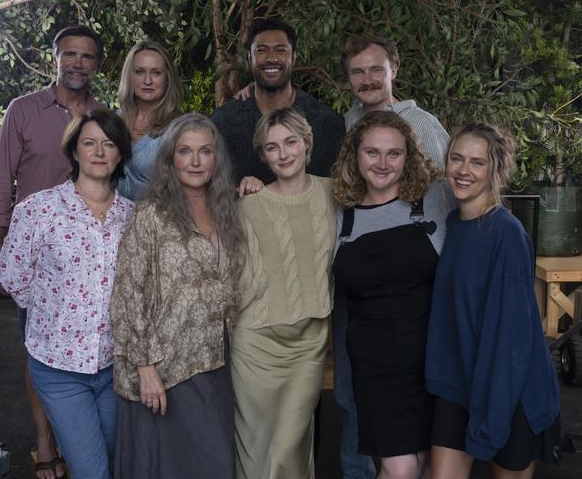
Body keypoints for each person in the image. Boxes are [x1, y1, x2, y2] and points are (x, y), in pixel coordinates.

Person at [0, 24, 104, 479]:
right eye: (68, 54)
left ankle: (78, 442)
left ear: (98, 64)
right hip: (36, 257)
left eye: (86, 56)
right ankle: (44, 442)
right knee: (40, 351)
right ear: (54, 57)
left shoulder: (102, 116)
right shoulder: (24, 110)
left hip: (88, 259)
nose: (77, 63)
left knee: (84, 351)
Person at [0, 108, 135, 479]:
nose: (99, 151)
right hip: (59, 368)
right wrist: (54, 314)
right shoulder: (39, 210)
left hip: (114, 365)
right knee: (92, 471)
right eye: (89, 143)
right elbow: (12, 277)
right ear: (74, 151)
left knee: (111, 459)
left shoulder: (134, 217)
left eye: (109, 144)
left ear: (121, 153)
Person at [110, 113, 244, 479]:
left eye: (205, 151)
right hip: (165, 364)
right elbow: (128, 294)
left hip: (214, 359)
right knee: (166, 466)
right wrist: (145, 368)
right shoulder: (151, 214)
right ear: (170, 159)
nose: (196, 161)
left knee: (213, 464)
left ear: (218, 158)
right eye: (185, 152)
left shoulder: (228, 211)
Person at [425, 123, 560, 479]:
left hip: (509, 393)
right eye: (456, 159)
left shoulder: (506, 235)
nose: (463, 171)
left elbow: (511, 343)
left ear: (496, 170)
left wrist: (490, 425)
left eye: (477, 162)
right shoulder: (453, 225)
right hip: (459, 384)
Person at [332, 110, 453, 479]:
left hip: (432, 358)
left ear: (409, 156)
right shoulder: (339, 209)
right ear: (355, 154)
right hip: (373, 364)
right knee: (400, 469)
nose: (382, 163)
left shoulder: (434, 196)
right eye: (372, 152)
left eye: (394, 154)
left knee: (431, 467)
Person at [232, 107, 335, 479]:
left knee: (288, 446)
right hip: (255, 341)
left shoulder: (335, 194)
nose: (284, 153)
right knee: (255, 447)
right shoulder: (247, 204)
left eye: (291, 142)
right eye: (272, 147)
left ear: (307, 143)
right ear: (262, 155)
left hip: (308, 342)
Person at [211, 18, 345, 184]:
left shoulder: (327, 121)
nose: (271, 58)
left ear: (294, 57)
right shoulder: (222, 122)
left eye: (280, 50)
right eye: (261, 50)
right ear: (249, 57)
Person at [342, 35, 448, 167]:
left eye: (376, 70)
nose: (367, 80)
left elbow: (442, 184)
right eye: (357, 72)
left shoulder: (423, 124)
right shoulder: (343, 123)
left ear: (393, 70)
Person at [116, 40, 183, 201]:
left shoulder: (179, 128)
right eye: (139, 71)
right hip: (109, 222)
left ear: (167, 77)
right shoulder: (115, 119)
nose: (147, 80)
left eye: (156, 72)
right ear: (129, 76)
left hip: (157, 222)